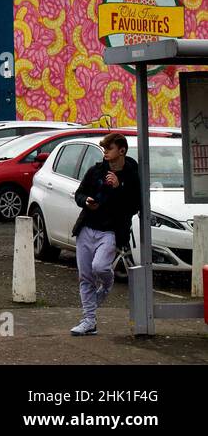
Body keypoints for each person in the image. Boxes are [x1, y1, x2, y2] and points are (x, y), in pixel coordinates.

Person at [70, 133, 141, 336]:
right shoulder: (96, 171)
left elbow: (134, 205)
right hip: (87, 228)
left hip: (110, 231)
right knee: (85, 276)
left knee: (100, 267)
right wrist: (86, 201)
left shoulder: (131, 174)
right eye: (104, 149)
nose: (106, 153)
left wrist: (119, 187)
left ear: (122, 150)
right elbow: (79, 194)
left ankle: (108, 284)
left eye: (109, 149)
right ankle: (89, 321)